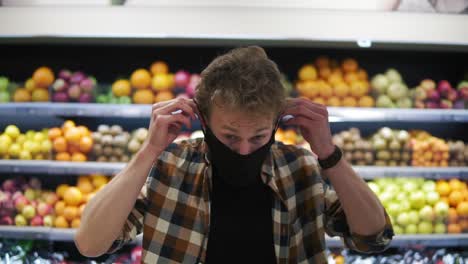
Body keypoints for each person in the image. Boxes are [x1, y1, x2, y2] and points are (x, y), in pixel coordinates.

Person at [75, 46, 393, 263]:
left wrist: (328, 153)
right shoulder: (172, 165)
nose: (243, 150)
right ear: (203, 119)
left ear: (276, 122)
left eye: (258, 136)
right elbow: (91, 244)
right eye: (228, 136)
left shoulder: (300, 168)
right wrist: (149, 150)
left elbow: (374, 238)